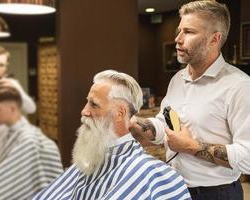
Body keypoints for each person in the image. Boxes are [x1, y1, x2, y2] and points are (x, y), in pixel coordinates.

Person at [129, 1, 250, 199]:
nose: (177, 39)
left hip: (216, 194)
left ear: (214, 39)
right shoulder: (178, 79)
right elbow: (165, 125)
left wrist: (191, 147)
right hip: (173, 189)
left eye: (189, 32)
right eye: (179, 31)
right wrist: (139, 125)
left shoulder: (239, 86)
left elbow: (248, 157)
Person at [32, 70, 191, 200]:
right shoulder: (89, 161)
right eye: (87, 102)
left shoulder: (153, 175)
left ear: (120, 113)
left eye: (94, 104)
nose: (84, 111)